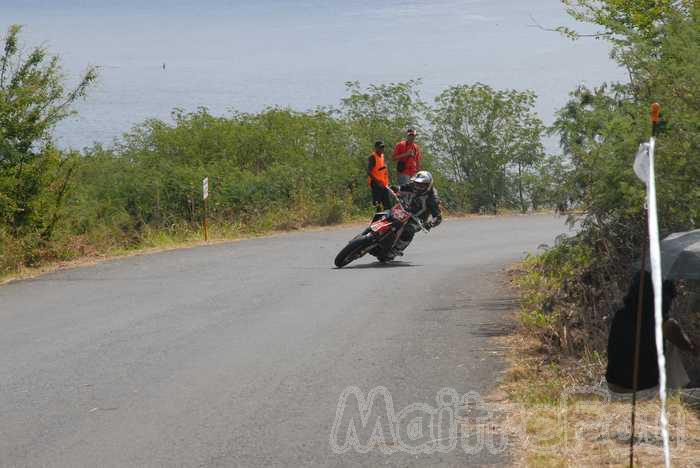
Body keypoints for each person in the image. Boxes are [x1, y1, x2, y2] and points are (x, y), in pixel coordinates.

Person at [606, 270, 698, 393]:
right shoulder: (667, 325)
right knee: (670, 345)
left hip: (614, 385)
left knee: (667, 343)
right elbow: (690, 347)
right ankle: (678, 390)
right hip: (644, 390)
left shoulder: (620, 315)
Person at [389, 170, 442, 255]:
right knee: (387, 215)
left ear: (428, 185)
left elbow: (438, 217)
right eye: (417, 183)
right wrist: (394, 188)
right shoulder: (413, 186)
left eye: (421, 185)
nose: (418, 186)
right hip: (404, 210)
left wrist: (430, 224)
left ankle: (396, 249)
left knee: (409, 229)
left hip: (418, 219)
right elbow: (401, 187)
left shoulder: (433, 199)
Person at [367, 140, 391, 211]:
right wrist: (377, 182)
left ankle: (387, 220)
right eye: (380, 147)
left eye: (383, 147)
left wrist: (386, 183)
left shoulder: (382, 156)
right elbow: (369, 171)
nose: (382, 149)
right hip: (375, 183)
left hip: (383, 184)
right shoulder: (372, 157)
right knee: (377, 204)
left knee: (387, 203)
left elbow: (382, 170)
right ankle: (377, 220)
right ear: (376, 148)